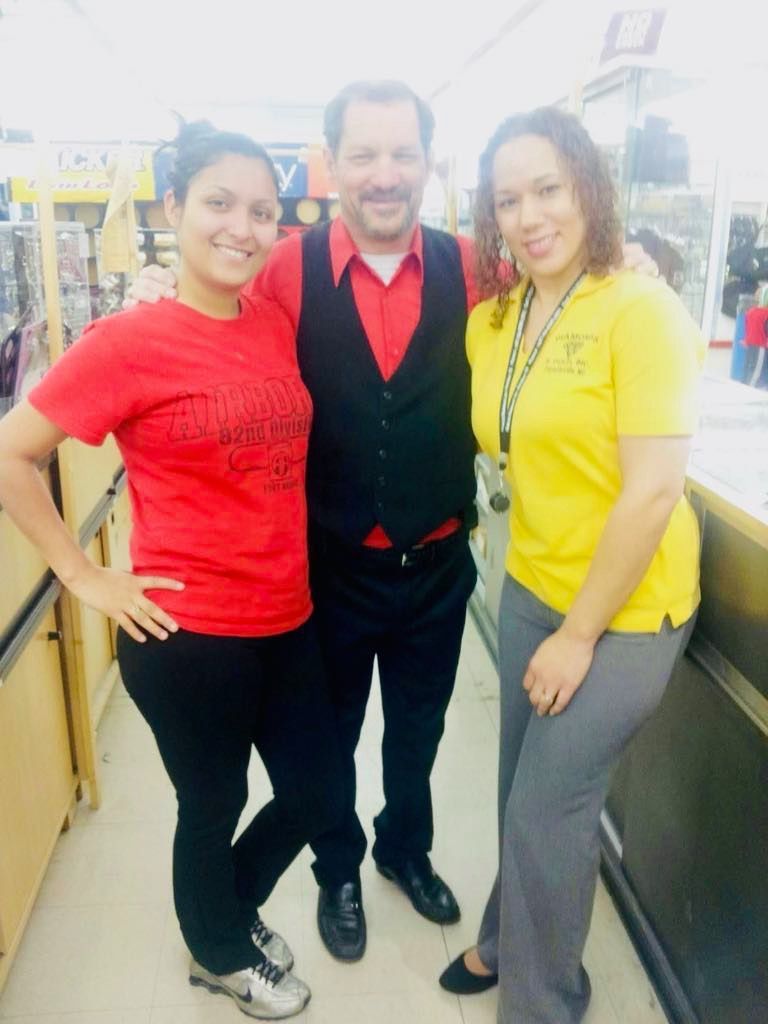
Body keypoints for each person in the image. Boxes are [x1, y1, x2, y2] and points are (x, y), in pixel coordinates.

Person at [128, 80, 658, 965]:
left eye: (403, 154)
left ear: (428, 162)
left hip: (439, 565)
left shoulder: (478, 267)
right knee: (331, 738)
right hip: (324, 569)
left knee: (420, 730)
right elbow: (206, 302)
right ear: (332, 163)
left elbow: (565, 274)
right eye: (364, 154)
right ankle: (338, 869)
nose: (384, 174)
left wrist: (629, 256)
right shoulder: (284, 267)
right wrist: (155, 285)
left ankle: (403, 850)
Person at [0, 121, 344, 1020]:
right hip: (188, 634)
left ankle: (219, 914)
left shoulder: (270, 317)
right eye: (219, 204)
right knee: (214, 799)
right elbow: (10, 454)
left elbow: (381, 235)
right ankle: (221, 952)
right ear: (172, 209)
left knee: (319, 792)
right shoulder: (127, 341)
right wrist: (81, 574)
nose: (241, 226)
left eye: (262, 211)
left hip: (290, 615)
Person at [438, 107, 703, 1024]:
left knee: (549, 807)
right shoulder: (497, 317)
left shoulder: (642, 307)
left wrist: (581, 634)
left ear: (589, 187)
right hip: (531, 587)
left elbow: (653, 491)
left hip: (627, 608)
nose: (530, 214)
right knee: (517, 786)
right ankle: (509, 939)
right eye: (508, 198)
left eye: (548, 187)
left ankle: (542, 1003)